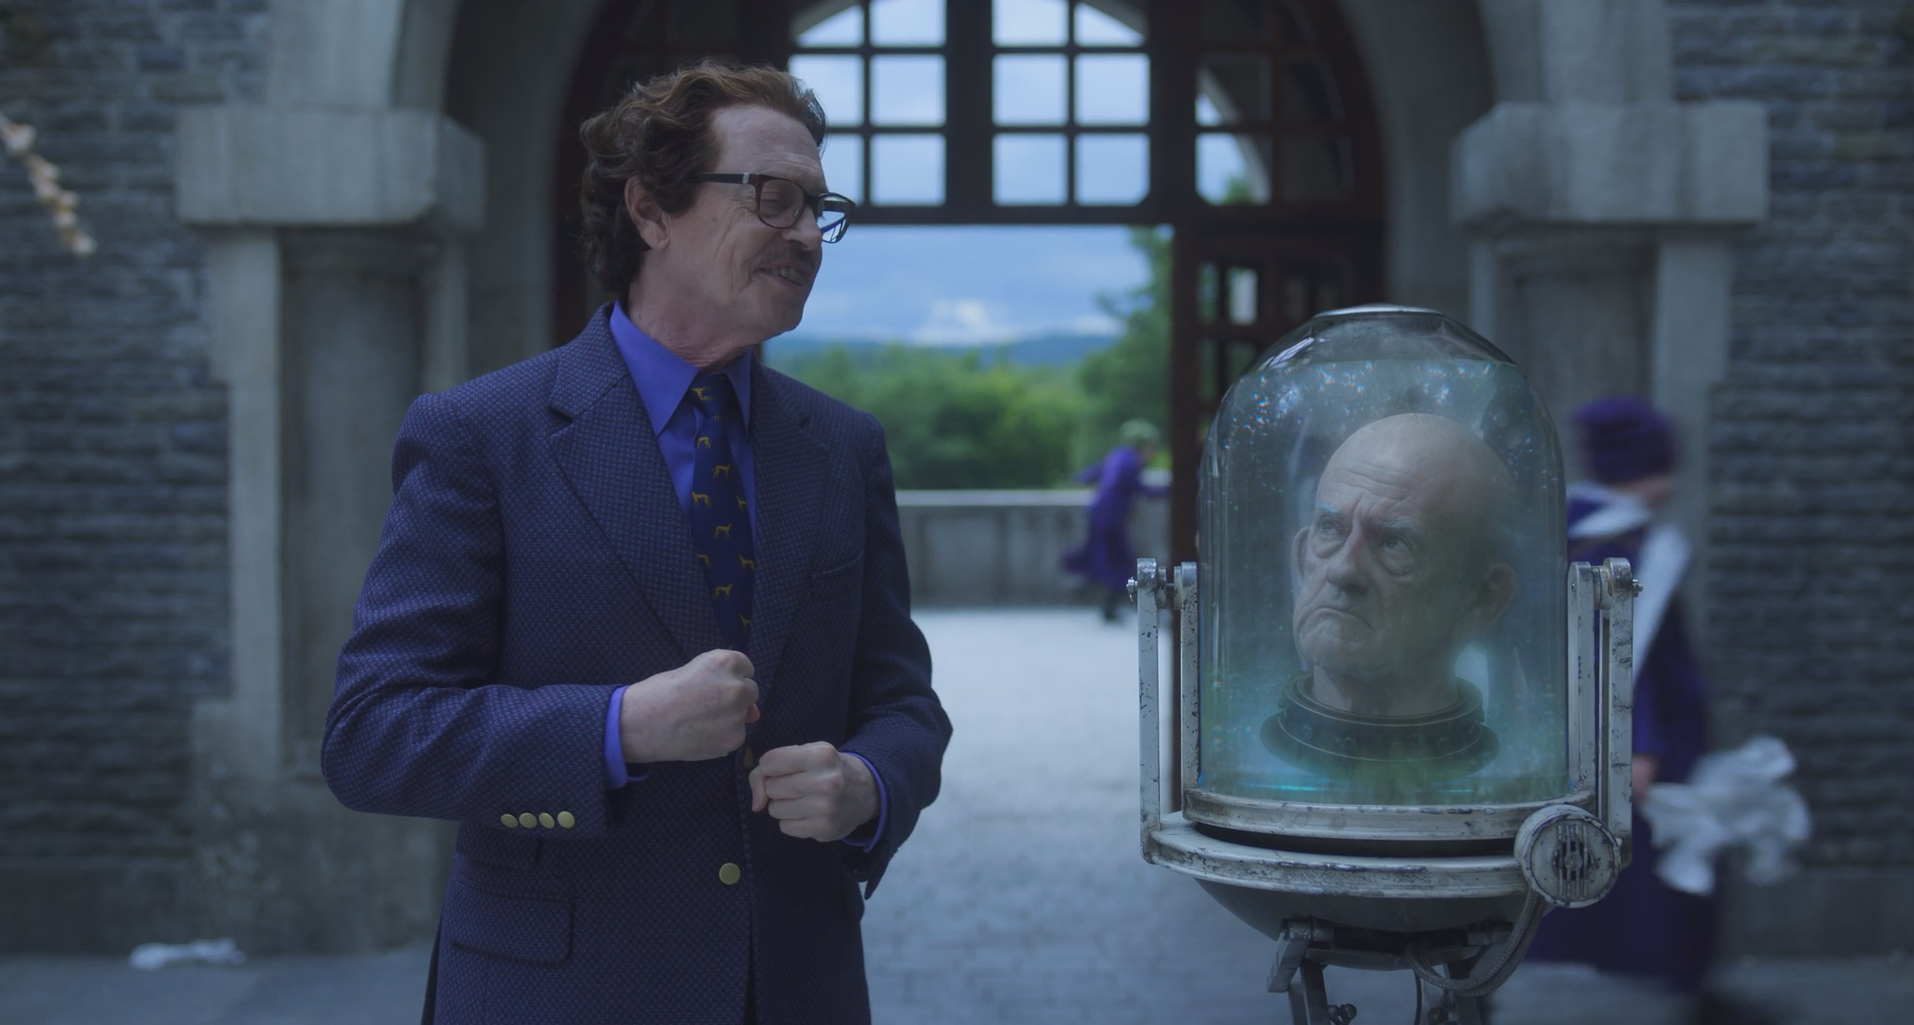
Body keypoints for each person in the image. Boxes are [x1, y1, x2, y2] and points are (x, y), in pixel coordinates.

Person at [321, 62, 952, 1025]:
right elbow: (374, 733)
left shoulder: (842, 446)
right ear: (651, 209)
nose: (804, 235)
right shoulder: (481, 434)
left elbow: (903, 705)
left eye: (819, 209)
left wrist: (869, 785)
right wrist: (617, 727)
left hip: (797, 988)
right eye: (773, 197)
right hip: (557, 993)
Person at [1527, 396, 1715, 1001]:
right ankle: (1689, 983)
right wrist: (1638, 743)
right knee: (1662, 859)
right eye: (1663, 467)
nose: (1673, 482)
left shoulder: (1579, 528)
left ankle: (1691, 983)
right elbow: (1623, 650)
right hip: (1645, 739)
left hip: (1642, 734)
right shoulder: (1621, 544)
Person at [1264, 414, 1516, 779]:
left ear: (1482, 598)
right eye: (1330, 529)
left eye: (1394, 543)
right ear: (1301, 556)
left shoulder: (1518, 773)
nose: (1342, 570)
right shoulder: (1237, 760)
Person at [1064, 419, 1166, 621]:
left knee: (1109, 559)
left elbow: (1089, 474)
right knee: (1120, 562)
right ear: (1143, 445)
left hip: (1098, 513)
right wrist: (1173, 489)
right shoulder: (1130, 463)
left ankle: (1101, 599)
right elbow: (1139, 489)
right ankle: (1108, 606)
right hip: (1111, 518)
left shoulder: (1118, 455)